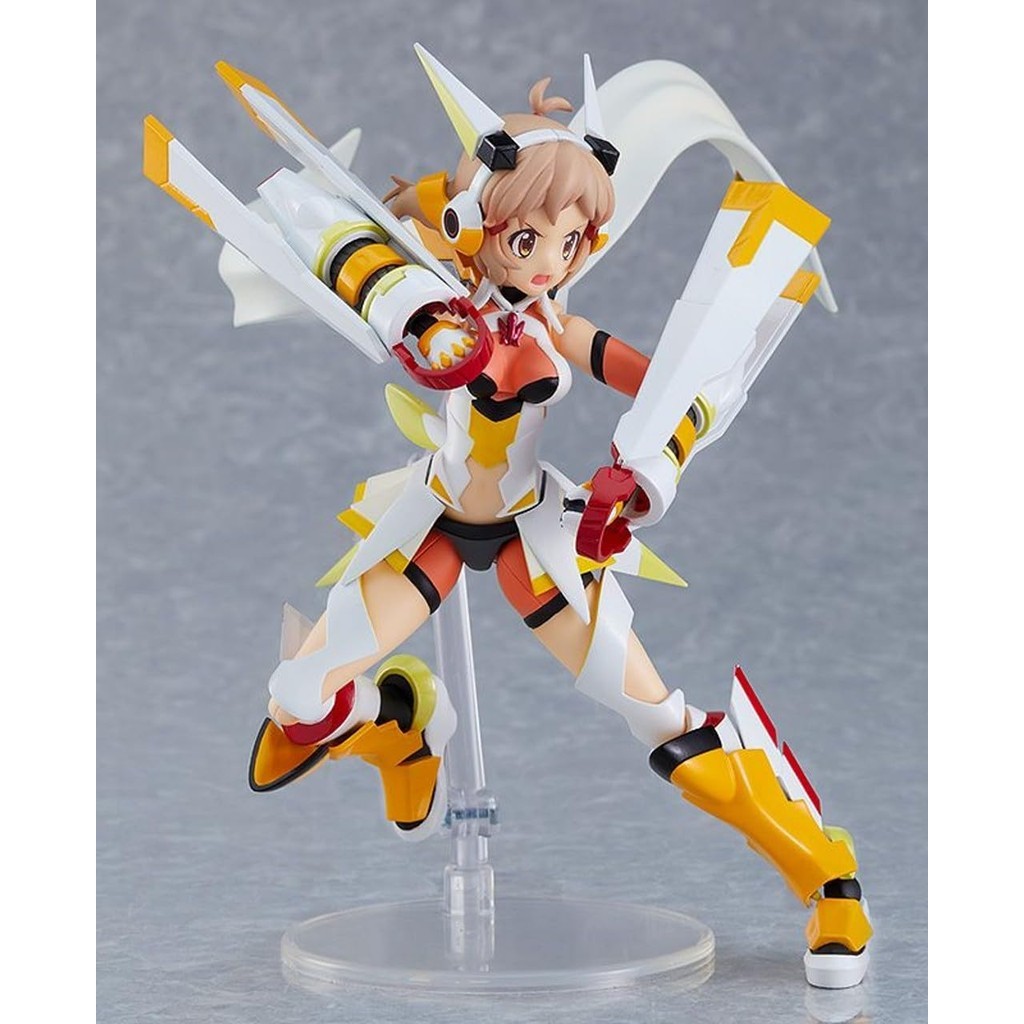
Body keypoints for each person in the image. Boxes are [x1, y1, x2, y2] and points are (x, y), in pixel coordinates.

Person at [148, 45, 872, 989]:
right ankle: (402, 721)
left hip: (536, 533)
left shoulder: (551, 324)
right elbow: (380, 270)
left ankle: (827, 874)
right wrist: (424, 315)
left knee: (665, 725)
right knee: (297, 701)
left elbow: (668, 386)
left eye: (569, 242)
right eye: (529, 239)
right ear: (476, 222)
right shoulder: (433, 299)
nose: (550, 261)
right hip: (437, 520)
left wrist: (650, 462)